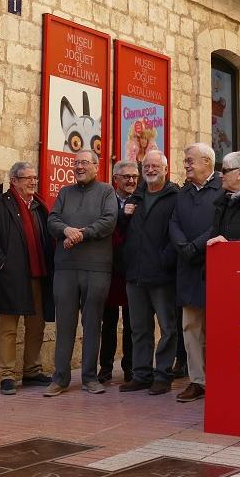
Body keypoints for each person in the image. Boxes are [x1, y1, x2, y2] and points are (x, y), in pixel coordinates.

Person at [0, 162, 55, 396]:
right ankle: (7, 375)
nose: (33, 182)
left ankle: (32, 370)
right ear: (14, 181)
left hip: (39, 275)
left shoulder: (39, 206)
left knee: (36, 326)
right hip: (12, 276)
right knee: (9, 328)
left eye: (34, 178)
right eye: (27, 178)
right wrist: (3, 263)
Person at [45, 150, 118, 396]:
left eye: (84, 163)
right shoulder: (65, 192)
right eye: (76, 163)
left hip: (96, 268)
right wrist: (66, 231)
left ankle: (89, 377)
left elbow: (108, 221)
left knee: (92, 323)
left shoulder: (106, 191)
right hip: (65, 268)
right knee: (64, 324)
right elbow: (52, 220)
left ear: (97, 166)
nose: (79, 167)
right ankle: (60, 378)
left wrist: (80, 234)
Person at [119, 151, 181, 395]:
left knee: (167, 327)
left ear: (166, 169)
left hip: (162, 275)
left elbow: (177, 231)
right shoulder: (136, 197)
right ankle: (141, 374)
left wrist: (165, 259)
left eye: (156, 165)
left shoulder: (175, 196)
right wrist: (124, 218)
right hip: (135, 273)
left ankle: (163, 375)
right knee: (139, 327)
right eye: (147, 165)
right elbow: (124, 232)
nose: (151, 169)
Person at [170, 143, 224, 403]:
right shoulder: (184, 192)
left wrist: (196, 246)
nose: (186, 164)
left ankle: (220, 377)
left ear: (207, 162)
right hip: (188, 266)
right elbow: (174, 222)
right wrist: (184, 247)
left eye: (191, 160)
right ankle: (197, 381)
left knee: (217, 326)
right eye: (186, 160)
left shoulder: (223, 188)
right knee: (190, 326)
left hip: (213, 266)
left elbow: (220, 225)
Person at [100, 161, 137, 383]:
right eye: (126, 177)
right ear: (116, 179)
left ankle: (130, 367)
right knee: (109, 322)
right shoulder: (106, 201)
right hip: (109, 269)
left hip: (133, 269)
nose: (131, 180)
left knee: (133, 323)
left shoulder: (141, 200)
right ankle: (105, 368)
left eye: (134, 176)